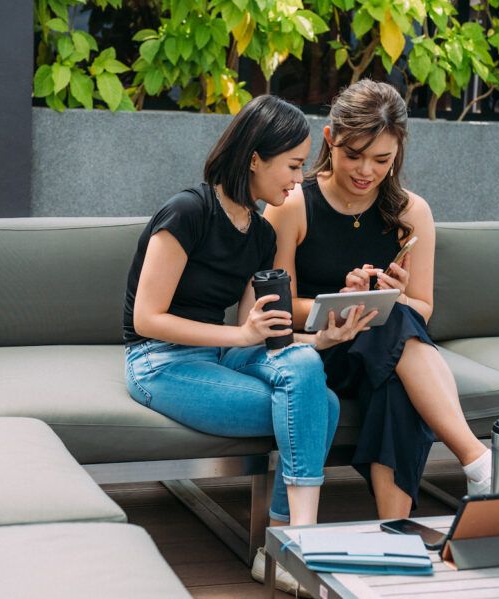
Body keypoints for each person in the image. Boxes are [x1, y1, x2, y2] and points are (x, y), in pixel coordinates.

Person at [122, 94, 374, 595]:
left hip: (217, 354)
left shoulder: (260, 234)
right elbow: (147, 319)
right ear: (255, 158)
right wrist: (240, 336)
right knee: (318, 406)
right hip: (157, 361)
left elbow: (254, 327)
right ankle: (291, 546)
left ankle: (287, 545)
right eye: (293, 165)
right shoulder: (187, 212)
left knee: (309, 375)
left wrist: (321, 338)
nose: (299, 179)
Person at [263, 79, 493, 521]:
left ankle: (394, 527)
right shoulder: (292, 205)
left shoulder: (411, 211)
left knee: (397, 373)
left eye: (381, 159)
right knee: (391, 328)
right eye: (353, 155)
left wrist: (392, 297)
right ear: (330, 139)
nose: (365, 170)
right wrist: (341, 303)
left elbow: (422, 308)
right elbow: (280, 307)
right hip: (318, 351)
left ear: (398, 151)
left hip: (382, 352)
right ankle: (478, 462)